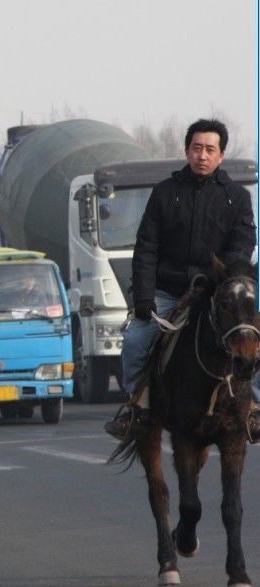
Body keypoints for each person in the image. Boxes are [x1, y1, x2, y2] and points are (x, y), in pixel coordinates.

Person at [104, 119, 259, 442]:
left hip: (219, 293)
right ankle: (136, 407)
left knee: (250, 339)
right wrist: (144, 300)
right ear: (187, 150)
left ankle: (254, 409)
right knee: (134, 341)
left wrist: (224, 279)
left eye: (210, 150)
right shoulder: (164, 194)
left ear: (221, 155)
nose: (202, 155)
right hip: (167, 292)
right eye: (197, 148)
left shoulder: (238, 198)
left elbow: (243, 244)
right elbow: (146, 248)